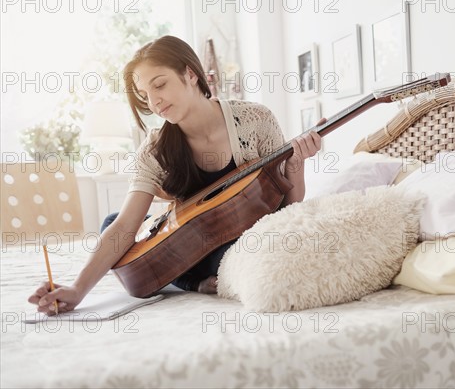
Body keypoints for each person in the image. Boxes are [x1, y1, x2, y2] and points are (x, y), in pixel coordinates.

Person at [28, 35, 322, 315]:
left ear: (190, 73)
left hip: (242, 242)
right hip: (192, 244)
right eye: (145, 94)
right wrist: (78, 290)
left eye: (160, 85)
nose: (154, 102)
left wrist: (297, 164)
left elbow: (287, 208)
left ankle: (185, 277)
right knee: (111, 224)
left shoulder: (256, 120)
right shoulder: (154, 150)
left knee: (243, 256)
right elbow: (124, 227)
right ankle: (188, 280)